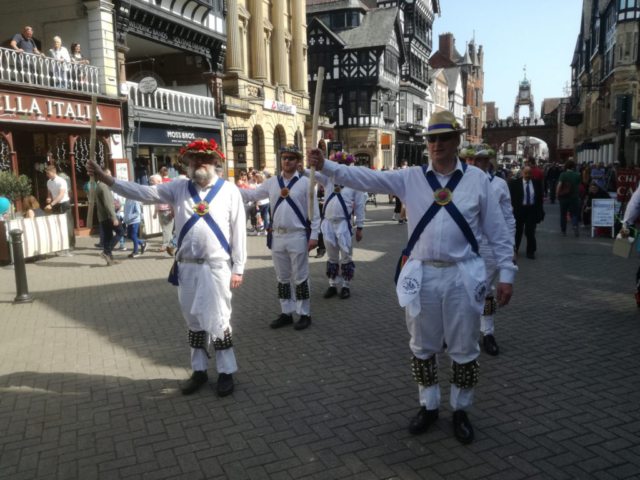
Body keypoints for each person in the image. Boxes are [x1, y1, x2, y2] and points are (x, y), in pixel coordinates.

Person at [306, 111, 516, 444]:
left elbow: (498, 232)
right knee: (422, 345)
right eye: (431, 139)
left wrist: (506, 272)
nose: (436, 144)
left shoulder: (477, 181)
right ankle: (429, 405)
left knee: (464, 348)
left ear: (457, 141)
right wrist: (327, 166)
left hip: (464, 275)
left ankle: (461, 410)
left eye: (443, 138)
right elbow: (367, 178)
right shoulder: (412, 178)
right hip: (422, 274)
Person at [87, 138, 246, 397]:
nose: (200, 162)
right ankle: (199, 371)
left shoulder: (229, 191)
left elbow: (239, 232)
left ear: (216, 161)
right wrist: (106, 178)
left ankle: (226, 372)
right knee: (193, 321)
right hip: (186, 268)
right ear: (187, 162)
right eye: (194, 158)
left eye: (205, 158)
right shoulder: (178, 188)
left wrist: (238, 267)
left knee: (219, 320)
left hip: (217, 267)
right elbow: (142, 193)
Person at [239, 144, 320, 331]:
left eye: (290, 158)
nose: (286, 161)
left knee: (300, 276)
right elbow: (252, 194)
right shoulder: (272, 182)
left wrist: (314, 236)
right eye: (284, 158)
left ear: (297, 161)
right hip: (277, 236)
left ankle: (304, 314)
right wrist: (228, 188)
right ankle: (286, 313)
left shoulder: (307, 183)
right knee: (282, 277)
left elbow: (315, 213)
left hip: (298, 235)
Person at [466, 147, 516, 357]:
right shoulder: (460, 183)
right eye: (472, 159)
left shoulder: (499, 184)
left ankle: (487, 333)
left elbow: (508, 218)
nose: (476, 162)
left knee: (484, 289)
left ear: (487, 161)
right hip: (465, 243)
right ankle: (459, 330)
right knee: (460, 287)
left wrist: (510, 247)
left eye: (480, 159)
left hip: (488, 243)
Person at [299, 151, 365, 300]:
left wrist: (360, 227)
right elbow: (313, 174)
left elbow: (360, 206)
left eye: (344, 165)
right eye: (339, 165)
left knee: (346, 256)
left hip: (344, 224)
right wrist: (303, 170)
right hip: (328, 224)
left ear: (348, 166)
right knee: (332, 256)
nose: (341, 168)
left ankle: (346, 286)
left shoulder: (355, 184)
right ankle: (332, 285)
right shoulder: (328, 179)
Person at [510, 166, 544, 259]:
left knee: (530, 232)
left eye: (529, 173)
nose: (528, 175)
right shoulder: (515, 183)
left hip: (531, 211)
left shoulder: (536, 183)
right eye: (526, 173)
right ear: (522, 174)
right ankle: (515, 249)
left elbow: (540, 198)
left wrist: (540, 211)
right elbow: (510, 197)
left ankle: (530, 251)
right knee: (518, 231)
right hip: (519, 210)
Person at [96, 169, 124, 266]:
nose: (110, 177)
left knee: (108, 237)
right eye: (108, 175)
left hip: (103, 216)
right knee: (121, 231)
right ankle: (107, 252)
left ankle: (110, 259)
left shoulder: (100, 185)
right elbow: (108, 204)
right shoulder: (104, 186)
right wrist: (114, 218)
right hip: (108, 216)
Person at [44, 165, 75, 249]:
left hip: (64, 203)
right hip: (56, 204)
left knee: (68, 224)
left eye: (48, 173)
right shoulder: (49, 182)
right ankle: (61, 244)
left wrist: (51, 204)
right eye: (46, 173)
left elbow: (61, 195)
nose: (47, 175)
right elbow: (49, 193)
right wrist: (49, 198)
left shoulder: (61, 181)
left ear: (54, 172)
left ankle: (71, 245)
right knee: (57, 224)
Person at [557, 160, 581, 237]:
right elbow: (579, 186)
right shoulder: (577, 175)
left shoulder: (562, 174)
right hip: (574, 197)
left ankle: (563, 231)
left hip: (564, 196)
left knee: (563, 214)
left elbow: (559, 185)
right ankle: (575, 226)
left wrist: (557, 194)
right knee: (574, 213)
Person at [151, 174, 173, 252]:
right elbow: (156, 202)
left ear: (159, 181)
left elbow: (172, 200)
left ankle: (165, 245)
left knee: (166, 229)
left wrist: (172, 211)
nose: (152, 182)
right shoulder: (156, 189)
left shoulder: (165, 189)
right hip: (160, 211)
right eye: (151, 181)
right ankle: (171, 245)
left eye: (153, 181)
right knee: (167, 229)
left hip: (166, 211)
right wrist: (155, 212)